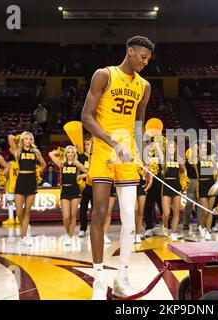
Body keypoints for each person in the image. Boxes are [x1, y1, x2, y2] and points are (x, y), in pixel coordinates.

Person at [81, 35, 154, 299]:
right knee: (100, 214)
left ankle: (122, 278)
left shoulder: (144, 86)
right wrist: (112, 141)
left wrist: (144, 159)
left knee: (130, 222)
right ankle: (99, 280)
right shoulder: (104, 75)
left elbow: (138, 126)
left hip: (128, 156)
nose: (146, 62)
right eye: (142, 57)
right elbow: (86, 117)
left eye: (148, 59)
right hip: (103, 150)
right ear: (130, 51)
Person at [8, 132, 46, 246]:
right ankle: (25, 226)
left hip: (31, 180)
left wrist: (38, 171)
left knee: (27, 211)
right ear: (22, 140)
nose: (28, 141)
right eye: (26, 139)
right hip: (21, 180)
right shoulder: (18, 151)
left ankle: (24, 237)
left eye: (30, 139)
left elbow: (43, 164)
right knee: (19, 211)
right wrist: (20, 137)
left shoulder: (35, 151)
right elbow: (10, 137)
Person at [49, 146, 88, 245]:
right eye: (68, 152)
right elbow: (51, 154)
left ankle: (70, 236)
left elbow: (88, 173)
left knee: (73, 215)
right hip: (65, 190)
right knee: (66, 216)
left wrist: (79, 176)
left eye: (72, 152)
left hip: (75, 190)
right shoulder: (62, 164)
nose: (70, 154)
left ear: (74, 155)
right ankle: (67, 233)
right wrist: (60, 151)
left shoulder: (77, 164)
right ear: (66, 154)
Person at [155, 138, 186, 241]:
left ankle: (173, 233)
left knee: (176, 212)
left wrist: (184, 182)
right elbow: (158, 149)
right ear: (167, 148)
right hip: (166, 185)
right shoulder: (164, 159)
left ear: (176, 148)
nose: (172, 149)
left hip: (176, 185)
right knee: (167, 213)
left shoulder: (179, 159)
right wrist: (156, 139)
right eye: (170, 147)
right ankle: (164, 225)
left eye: (174, 147)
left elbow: (184, 171)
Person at [191, 141, 218, 240]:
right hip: (201, 185)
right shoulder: (196, 159)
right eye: (201, 148)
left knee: (210, 210)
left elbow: (215, 171)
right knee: (205, 210)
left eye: (205, 148)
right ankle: (202, 226)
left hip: (211, 184)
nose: (203, 150)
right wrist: (195, 145)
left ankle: (208, 230)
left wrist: (213, 160)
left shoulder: (211, 158)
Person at [78, 138, 92, 237]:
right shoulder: (81, 157)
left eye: (90, 144)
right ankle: (82, 229)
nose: (88, 146)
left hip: (95, 185)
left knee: (96, 209)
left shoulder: (96, 157)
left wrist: (83, 175)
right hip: (84, 186)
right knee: (83, 208)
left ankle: (95, 229)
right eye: (86, 144)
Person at [2, 154, 20, 226]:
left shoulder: (9, 164)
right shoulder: (19, 164)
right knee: (18, 203)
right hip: (19, 185)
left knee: (10, 202)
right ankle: (18, 219)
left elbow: (4, 174)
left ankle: (11, 219)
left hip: (10, 185)